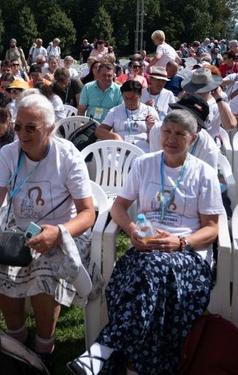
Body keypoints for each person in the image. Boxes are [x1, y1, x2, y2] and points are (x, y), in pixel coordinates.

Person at [69, 110, 223, 375]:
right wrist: (131, 231)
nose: (171, 139)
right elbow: (119, 206)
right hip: (146, 246)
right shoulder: (145, 164)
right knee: (149, 275)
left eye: (179, 134)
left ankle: (104, 349)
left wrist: (180, 242)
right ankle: (135, 368)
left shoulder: (204, 173)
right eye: (166, 131)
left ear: (193, 138)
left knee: (149, 273)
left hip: (188, 254)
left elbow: (212, 228)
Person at [0, 94, 96, 371]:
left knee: (43, 269)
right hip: (21, 232)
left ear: (49, 129)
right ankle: (18, 336)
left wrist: (59, 233)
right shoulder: (9, 154)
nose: (22, 134)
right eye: (19, 126)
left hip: (64, 233)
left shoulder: (67, 155)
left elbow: (87, 213)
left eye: (31, 128)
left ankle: (44, 345)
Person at [96, 80, 156, 151]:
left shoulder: (149, 111)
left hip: (142, 149)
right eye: (126, 98)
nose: (129, 101)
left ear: (140, 95)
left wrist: (151, 128)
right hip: (120, 148)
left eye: (133, 98)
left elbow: (159, 135)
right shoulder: (115, 111)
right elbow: (99, 131)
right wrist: (114, 136)